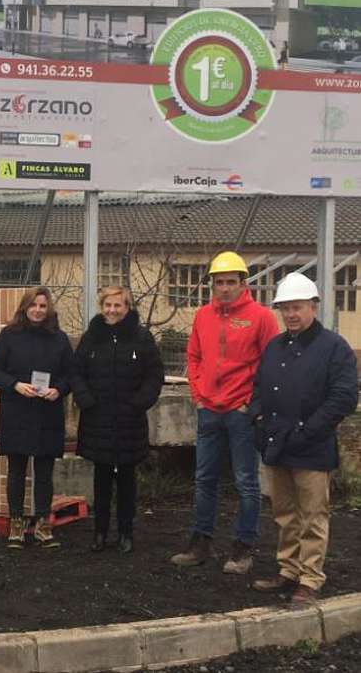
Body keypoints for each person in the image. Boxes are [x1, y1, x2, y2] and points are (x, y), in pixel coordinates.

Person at [249, 273, 357, 604]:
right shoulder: (275, 347)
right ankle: (288, 569)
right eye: (286, 309)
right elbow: (260, 387)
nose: (291, 314)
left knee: (312, 515)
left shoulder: (334, 348)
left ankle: (310, 578)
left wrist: (308, 431)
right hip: (277, 444)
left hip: (312, 447)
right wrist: (257, 419)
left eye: (297, 307)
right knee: (285, 513)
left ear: (313, 307)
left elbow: (343, 397)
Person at [170, 251, 280, 573]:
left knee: (246, 481)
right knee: (204, 479)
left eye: (232, 282)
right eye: (220, 283)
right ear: (212, 285)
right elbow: (193, 356)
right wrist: (198, 394)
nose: (226, 288)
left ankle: (243, 547)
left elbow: (270, 364)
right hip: (208, 410)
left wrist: (251, 404)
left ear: (244, 283)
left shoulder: (261, 317)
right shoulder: (203, 315)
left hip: (240, 412)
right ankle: (200, 543)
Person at [70, 286, 164, 554]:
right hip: (96, 420)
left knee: (126, 481)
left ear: (127, 307)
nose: (112, 310)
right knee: (100, 480)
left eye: (118, 306)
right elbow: (76, 372)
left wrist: (138, 404)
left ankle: (126, 533)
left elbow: (154, 375)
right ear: (102, 307)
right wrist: (85, 399)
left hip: (129, 422)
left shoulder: (141, 338)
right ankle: (99, 532)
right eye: (108, 305)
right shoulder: (91, 338)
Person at [0, 287, 73, 549]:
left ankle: (43, 524)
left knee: (45, 473)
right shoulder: (8, 336)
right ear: (25, 308)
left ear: (49, 309)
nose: (38, 310)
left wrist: (59, 389)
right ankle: (16, 524)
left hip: (48, 412)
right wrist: (14, 385)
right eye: (33, 305)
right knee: (16, 471)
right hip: (17, 411)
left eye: (43, 306)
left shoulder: (59, 339)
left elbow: (71, 374)